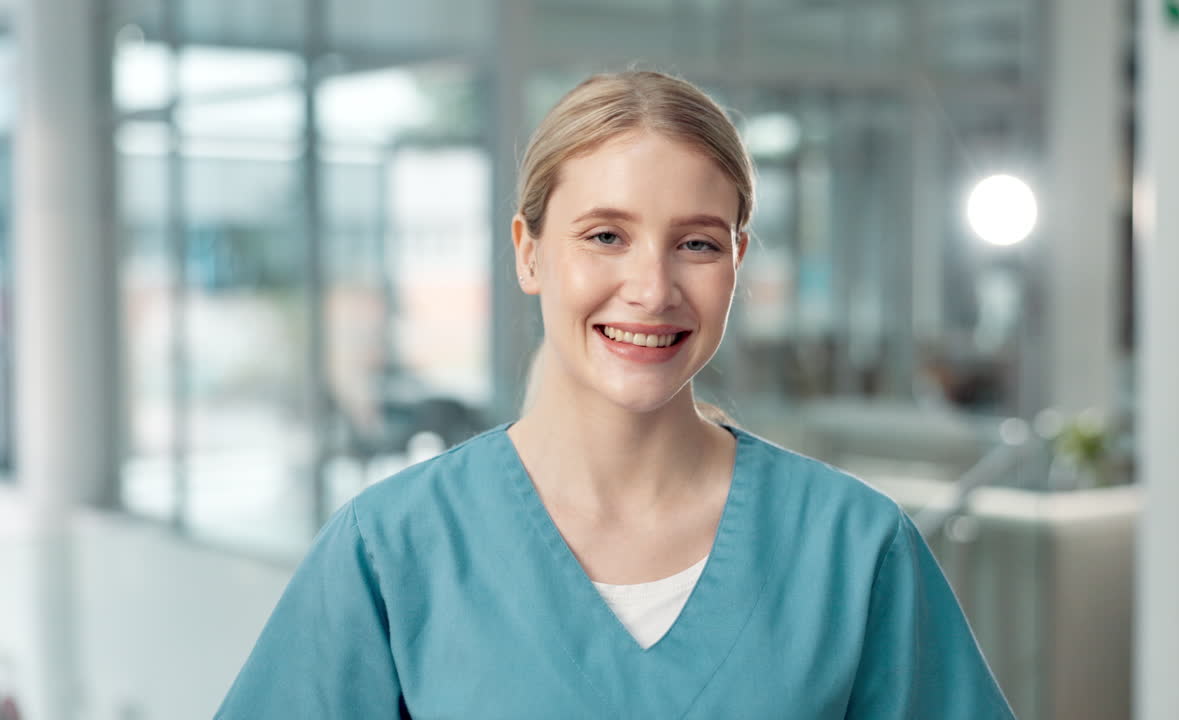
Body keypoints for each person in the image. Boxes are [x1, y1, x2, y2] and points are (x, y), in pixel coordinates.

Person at [215, 70, 1016, 719]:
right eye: (605, 236)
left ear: (737, 261)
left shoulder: (852, 548)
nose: (651, 288)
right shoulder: (391, 552)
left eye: (696, 244)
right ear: (528, 253)